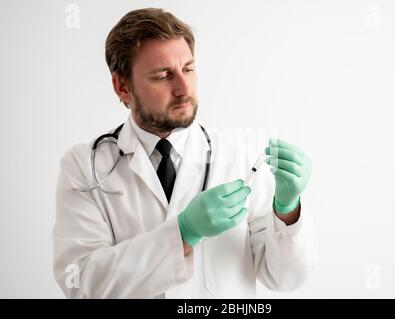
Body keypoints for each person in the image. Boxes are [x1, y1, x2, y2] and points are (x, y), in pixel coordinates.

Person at [53, 7, 318, 298]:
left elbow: (284, 278)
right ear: (122, 86)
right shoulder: (84, 167)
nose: (183, 88)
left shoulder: (240, 155)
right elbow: (82, 283)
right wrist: (182, 234)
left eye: (188, 69)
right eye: (163, 75)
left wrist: (288, 210)